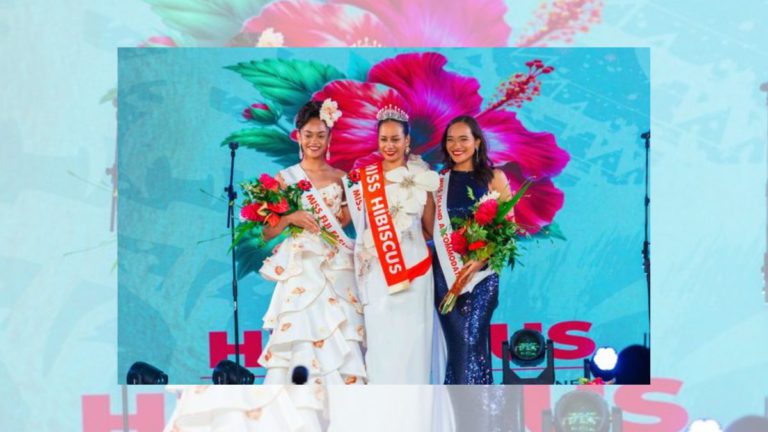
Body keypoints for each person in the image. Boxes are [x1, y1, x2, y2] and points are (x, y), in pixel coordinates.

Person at [257, 99, 366, 385]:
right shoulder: (285, 179)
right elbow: (266, 233)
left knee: (342, 334)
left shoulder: (342, 179)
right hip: (302, 268)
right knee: (300, 335)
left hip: (337, 268)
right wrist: (291, 217)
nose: (314, 141)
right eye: (308, 135)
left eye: (320, 135)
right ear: (298, 136)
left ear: (330, 136)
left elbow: (346, 223)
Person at [343, 104, 439, 384]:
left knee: (413, 346)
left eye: (395, 139)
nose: (389, 145)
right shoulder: (364, 180)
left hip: (415, 271)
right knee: (381, 344)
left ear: (407, 140)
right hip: (378, 274)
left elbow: (430, 229)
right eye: (384, 139)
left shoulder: (423, 175)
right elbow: (351, 222)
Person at [432, 115, 513, 384]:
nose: (457, 145)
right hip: (446, 277)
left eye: (463, 139)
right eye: (451, 140)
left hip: (482, 276)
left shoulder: (494, 178)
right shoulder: (437, 182)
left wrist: (480, 260)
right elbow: (427, 227)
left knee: (472, 340)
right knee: (461, 347)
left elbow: (507, 228)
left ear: (477, 142)